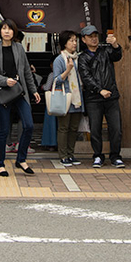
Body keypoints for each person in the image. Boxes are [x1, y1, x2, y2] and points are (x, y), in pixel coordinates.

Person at [0, 19, 40, 177]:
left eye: (10, 29)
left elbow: (26, 72)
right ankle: (0, 164)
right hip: (3, 94)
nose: (7, 31)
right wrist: (4, 81)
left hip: (19, 92)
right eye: (4, 28)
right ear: (0, 32)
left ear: (14, 32)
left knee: (29, 125)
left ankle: (21, 159)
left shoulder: (19, 48)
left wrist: (33, 90)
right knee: (3, 130)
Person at [77, 24, 124, 168]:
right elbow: (86, 77)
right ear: (84, 39)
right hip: (93, 98)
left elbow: (117, 55)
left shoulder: (105, 51)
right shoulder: (83, 57)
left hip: (111, 96)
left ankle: (115, 156)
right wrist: (99, 90)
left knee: (116, 128)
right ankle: (98, 155)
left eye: (95, 36)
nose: (94, 39)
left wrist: (115, 45)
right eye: (90, 36)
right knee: (95, 128)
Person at [47, 29, 84, 167]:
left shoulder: (78, 58)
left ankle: (70, 154)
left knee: (74, 128)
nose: (74, 43)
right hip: (65, 98)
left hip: (77, 97)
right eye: (71, 40)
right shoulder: (59, 59)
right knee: (64, 127)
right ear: (64, 43)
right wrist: (68, 70)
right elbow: (57, 79)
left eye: (75, 40)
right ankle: (63, 155)